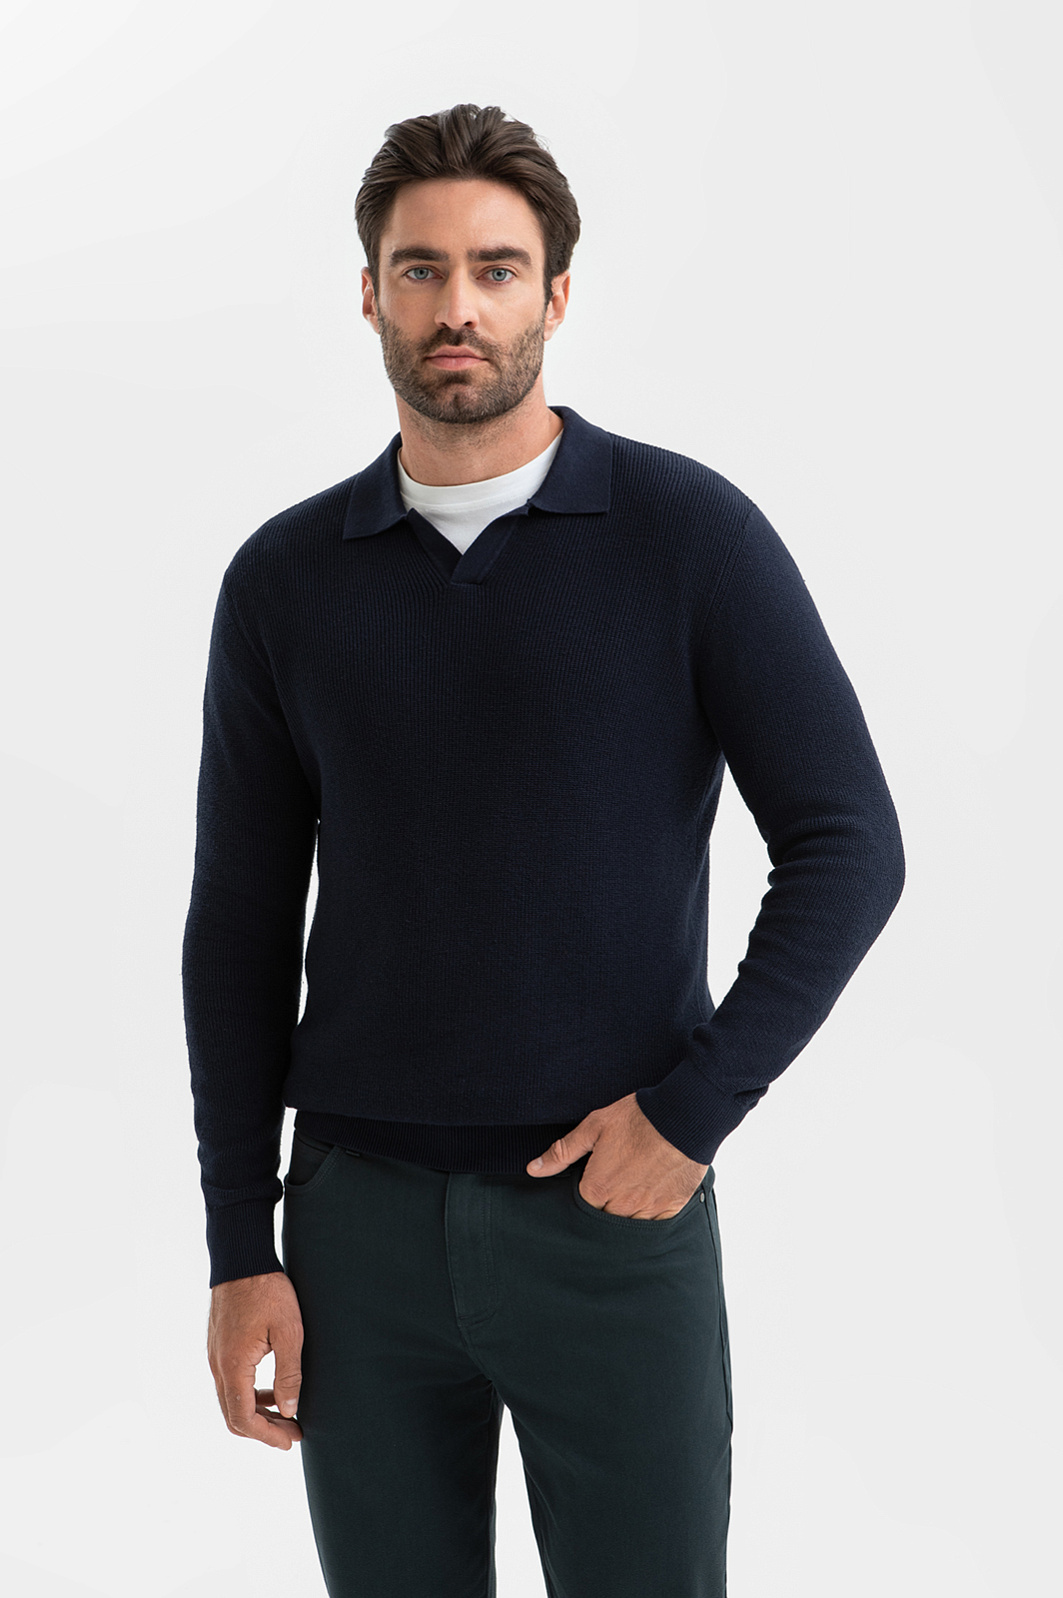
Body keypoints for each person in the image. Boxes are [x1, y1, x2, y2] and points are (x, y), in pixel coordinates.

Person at [182, 102, 905, 1598]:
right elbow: (239, 927)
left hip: (611, 1217)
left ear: (556, 297)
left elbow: (850, 843)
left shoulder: (689, 538)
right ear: (370, 294)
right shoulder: (284, 583)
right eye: (422, 268)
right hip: (356, 1234)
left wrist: (694, 1112)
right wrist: (240, 1241)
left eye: (497, 269)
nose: (459, 306)